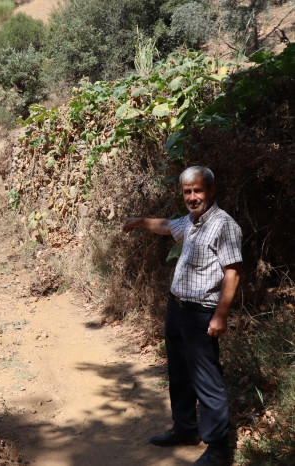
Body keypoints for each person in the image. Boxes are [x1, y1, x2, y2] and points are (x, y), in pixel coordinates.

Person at [123, 166, 242, 466]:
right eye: (187, 192)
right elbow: (167, 226)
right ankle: (186, 429)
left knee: (206, 379)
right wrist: (139, 222)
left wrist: (221, 315)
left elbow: (233, 272)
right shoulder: (191, 222)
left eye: (198, 190)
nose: (192, 197)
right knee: (178, 374)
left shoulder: (223, 225)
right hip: (177, 309)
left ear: (211, 191)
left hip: (202, 313)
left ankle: (218, 449)